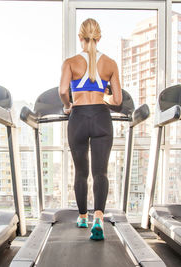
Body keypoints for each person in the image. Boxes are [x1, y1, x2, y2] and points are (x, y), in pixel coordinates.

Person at [58, 18, 122, 240]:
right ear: (99, 37)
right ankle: (98, 219)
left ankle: (83, 217)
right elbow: (118, 99)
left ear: (80, 37)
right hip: (101, 117)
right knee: (100, 172)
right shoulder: (111, 64)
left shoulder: (70, 62)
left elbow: (62, 91)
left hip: (78, 117)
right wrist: (102, 95)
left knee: (81, 172)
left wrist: (68, 106)